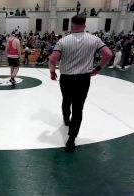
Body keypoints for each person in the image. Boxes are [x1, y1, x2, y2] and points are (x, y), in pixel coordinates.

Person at [49, 15, 112, 152]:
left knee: (66, 99)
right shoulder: (94, 39)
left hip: (67, 78)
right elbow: (108, 54)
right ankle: (71, 140)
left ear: (72, 25)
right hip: (83, 78)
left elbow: (53, 59)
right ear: (85, 25)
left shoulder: (63, 41)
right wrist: (97, 69)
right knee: (78, 108)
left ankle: (66, 118)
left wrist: (52, 72)